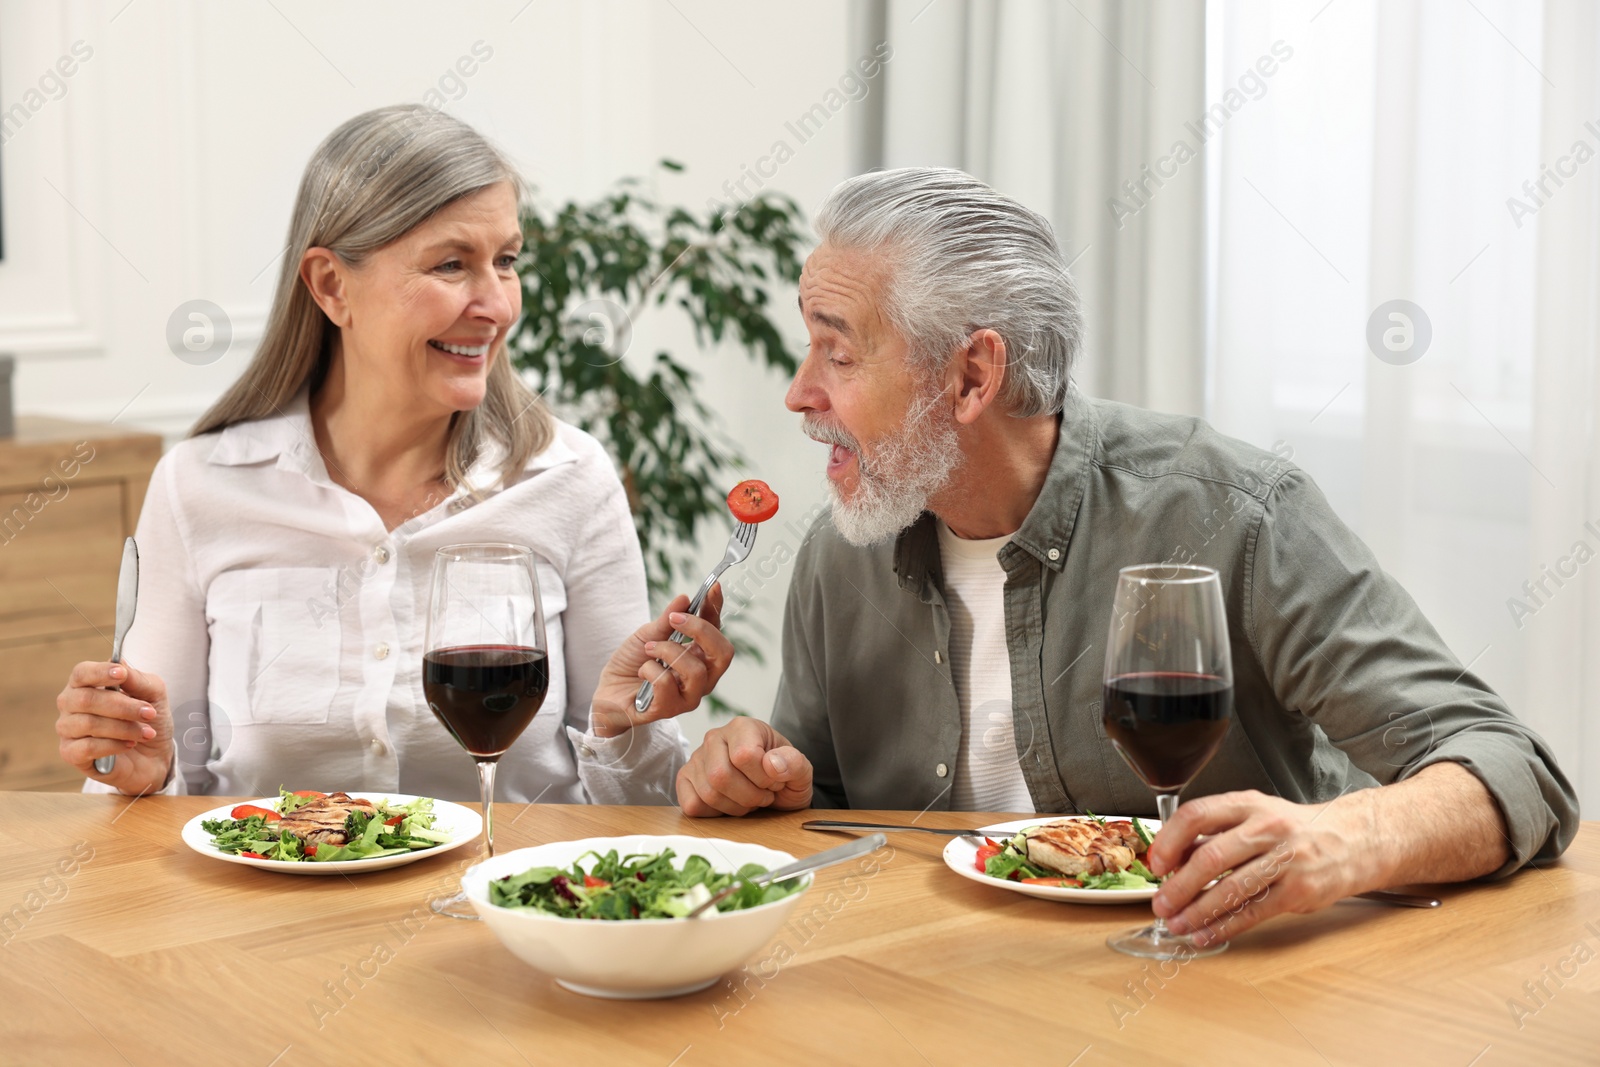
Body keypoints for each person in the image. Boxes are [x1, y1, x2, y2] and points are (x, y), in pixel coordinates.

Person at [676, 167, 1580, 946]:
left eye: (837, 351)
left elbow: (1506, 765)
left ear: (971, 377)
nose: (800, 393)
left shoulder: (1237, 516)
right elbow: (823, 817)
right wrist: (756, 778)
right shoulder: (846, 550)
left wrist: (1339, 839)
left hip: (1227, 997)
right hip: (935, 992)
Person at [55, 105, 731, 804]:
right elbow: (153, 793)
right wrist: (135, 773)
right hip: (268, 912)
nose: (497, 304)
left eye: (506, 261)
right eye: (451, 264)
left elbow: (638, 810)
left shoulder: (570, 480)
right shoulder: (198, 487)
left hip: (505, 907)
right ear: (330, 286)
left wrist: (626, 733)